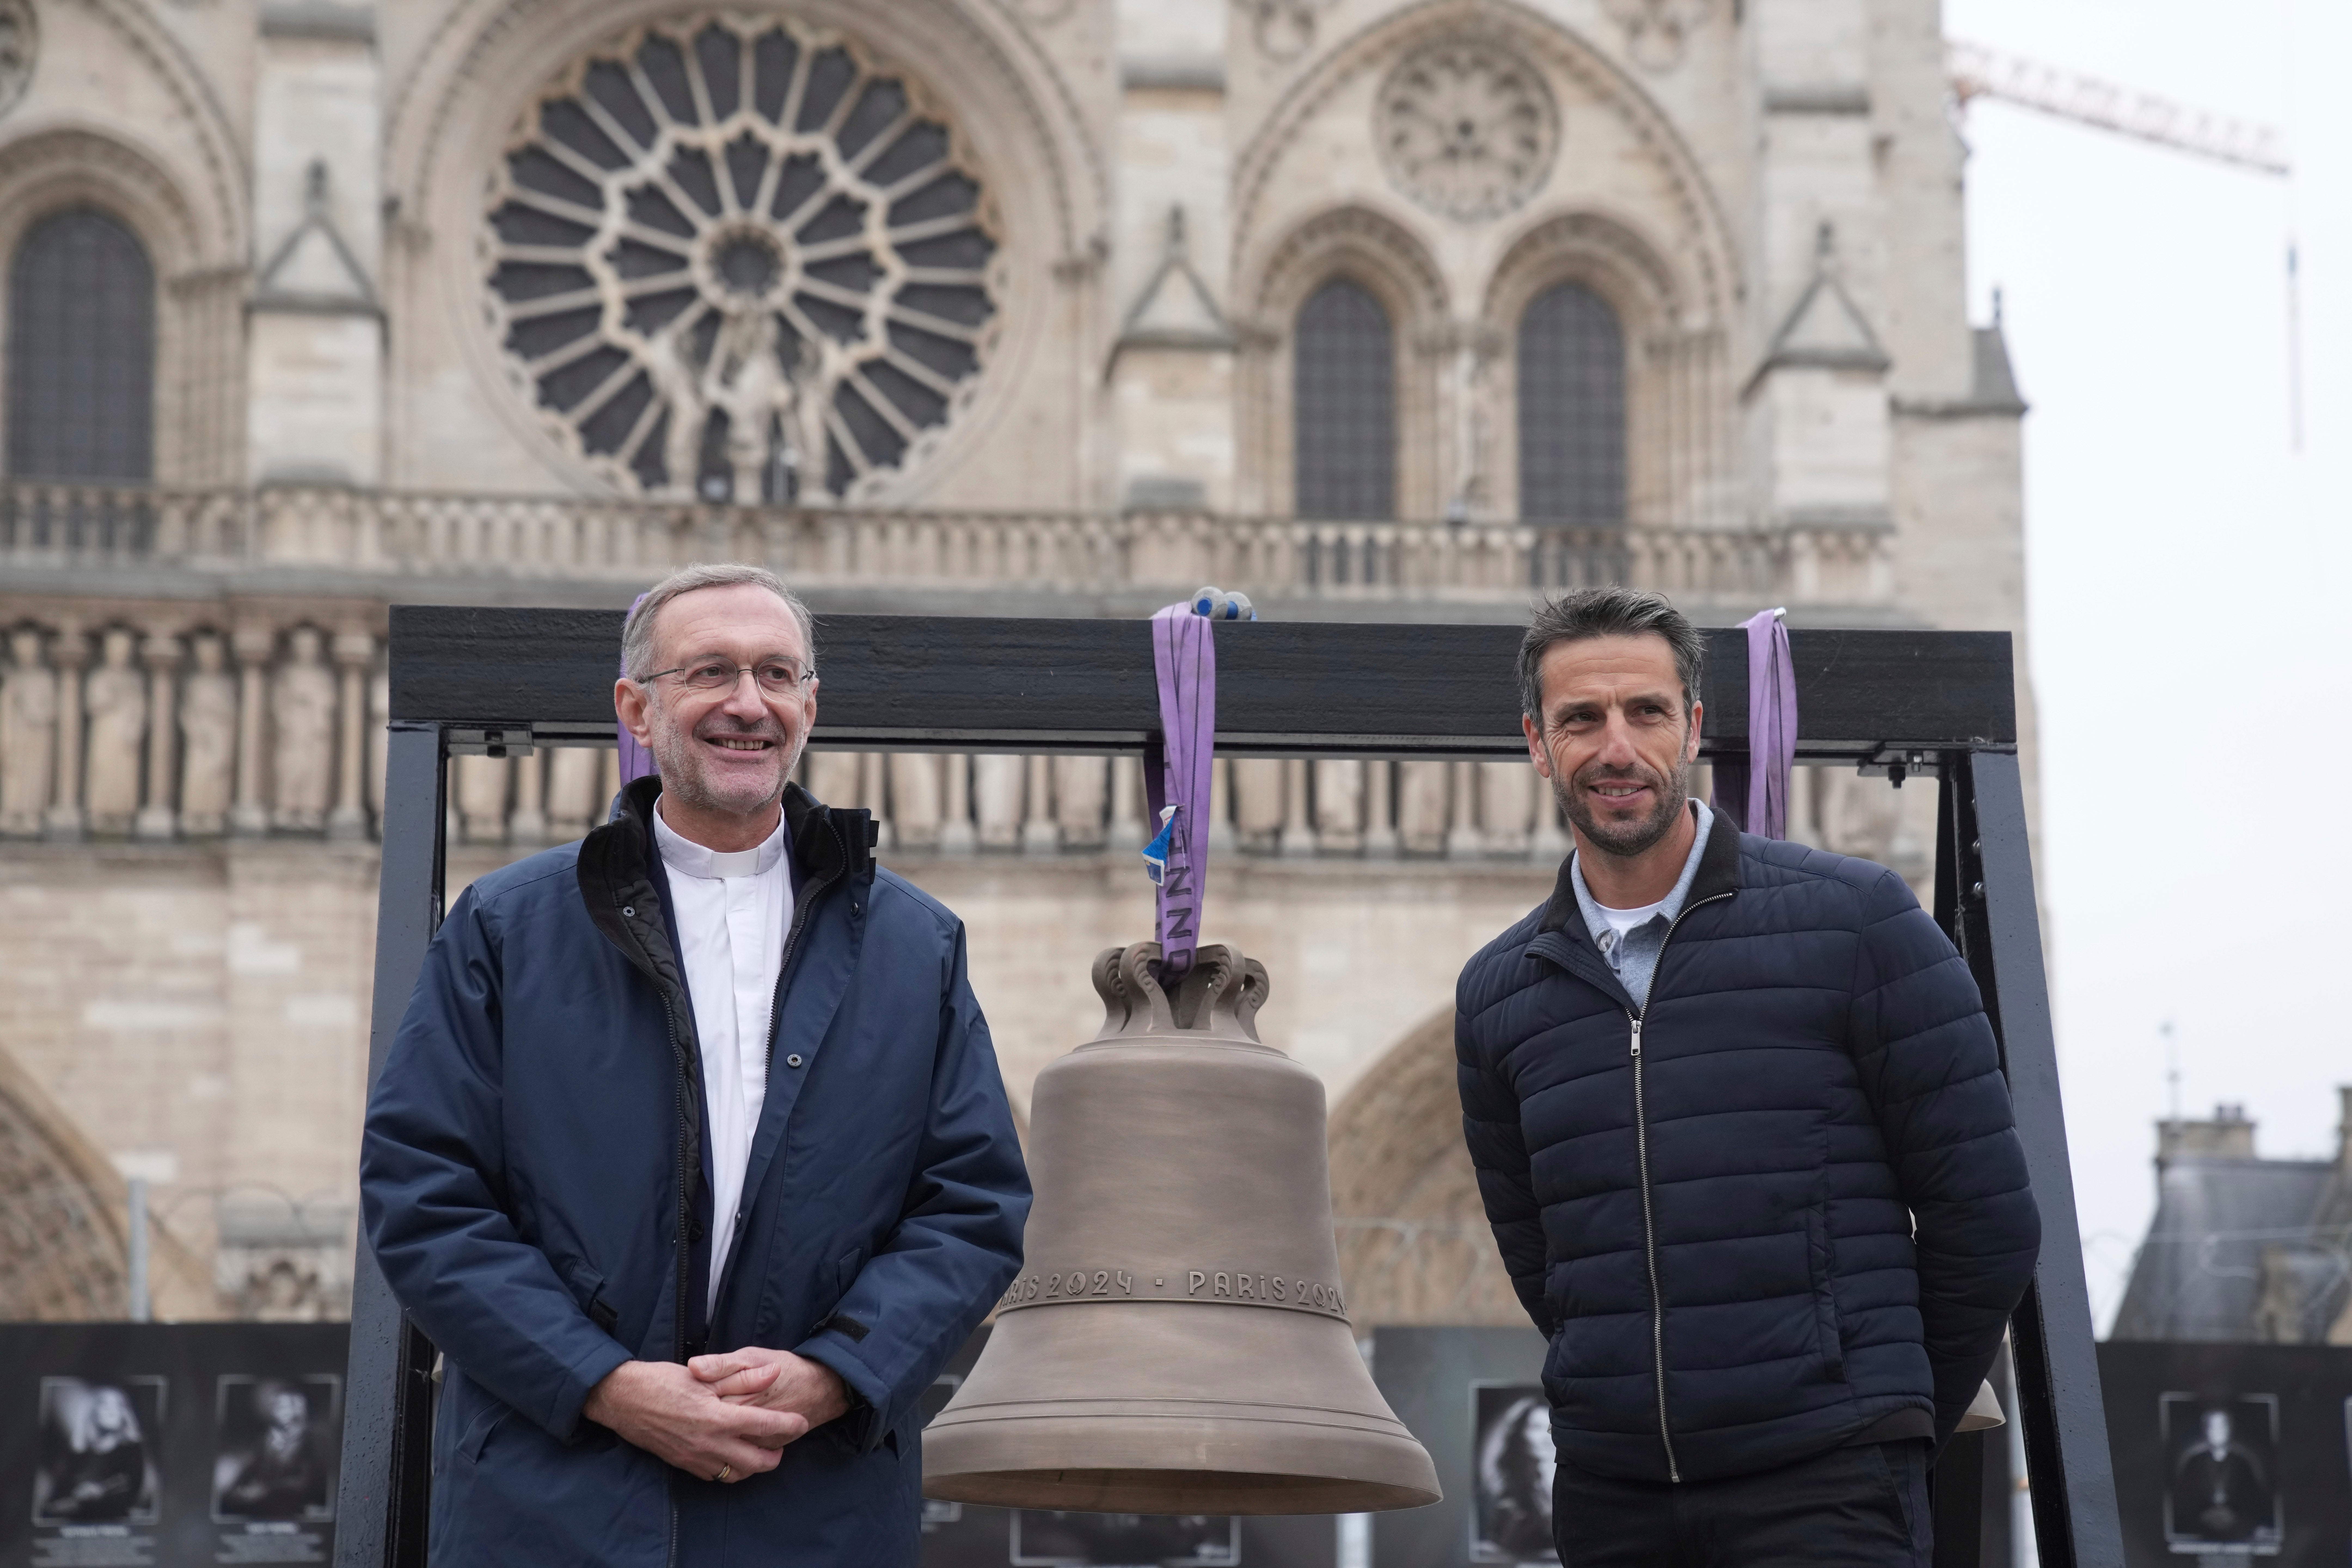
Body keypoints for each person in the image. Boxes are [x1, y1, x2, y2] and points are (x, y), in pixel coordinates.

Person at [362, 562, 1030, 1566]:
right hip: (552, 1510)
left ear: (810, 707)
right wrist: (604, 1384)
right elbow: (424, 1193)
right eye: (711, 671)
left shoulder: (915, 945)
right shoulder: (507, 928)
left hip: (812, 1510)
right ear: (637, 708)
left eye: (776, 674)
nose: (748, 704)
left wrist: (834, 1375)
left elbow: (973, 1205)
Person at [1453, 588, 2041, 1566]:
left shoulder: (1857, 922)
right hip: (1614, 1500)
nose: (1616, 747)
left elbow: (1987, 1219)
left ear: (1692, 727)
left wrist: (1873, 1416)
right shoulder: (1498, 994)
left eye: (1646, 711)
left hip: (1826, 1491)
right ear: (1538, 745)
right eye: (1581, 719)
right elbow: (1544, 1260)